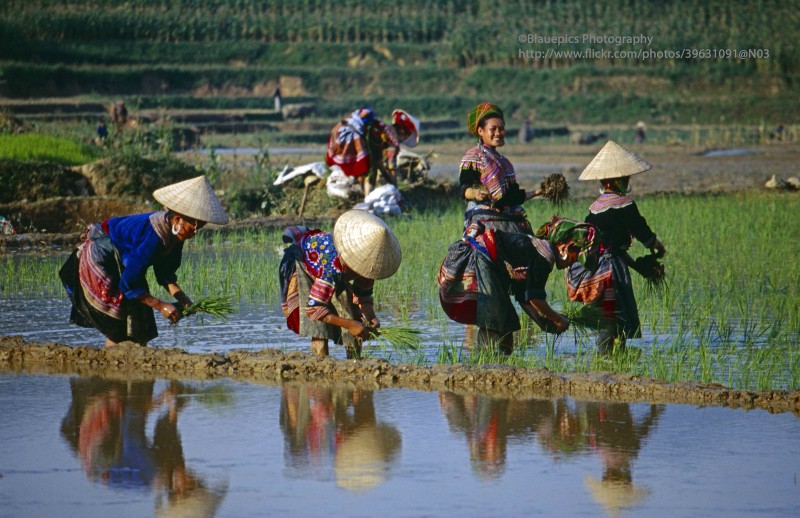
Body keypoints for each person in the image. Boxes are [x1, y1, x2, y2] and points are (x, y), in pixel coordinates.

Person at [59, 175, 229, 347]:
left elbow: (165, 274)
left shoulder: (176, 235)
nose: (194, 234)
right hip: (102, 257)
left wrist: (183, 299)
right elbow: (128, 284)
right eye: (193, 228)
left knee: (141, 323)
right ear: (178, 219)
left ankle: (135, 362)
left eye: (199, 229)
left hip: (127, 263)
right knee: (119, 322)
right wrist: (161, 305)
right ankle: (111, 363)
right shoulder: (153, 236)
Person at [438, 216, 598, 354]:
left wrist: (541, 323)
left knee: (508, 323)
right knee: (493, 321)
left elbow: (523, 296)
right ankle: (483, 365)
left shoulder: (537, 250)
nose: (574, 262)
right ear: (565, 247)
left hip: (488, 265)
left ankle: (503, 363)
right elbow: (535, 298)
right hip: (480, 260)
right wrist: (558, 319)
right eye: (576, 256)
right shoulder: (545, 256)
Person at [566, 141, 667, 354]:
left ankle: (611, 359)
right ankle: (609, 360)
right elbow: (642, 232)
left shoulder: (594, 209)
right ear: (620, 180)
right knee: (614, 316)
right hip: (611, 271)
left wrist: (638, 267)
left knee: (607, 315)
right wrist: (657, 247)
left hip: (596, 269)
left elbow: (611, 248)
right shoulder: (624, 204)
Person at [279, 209, 402, 359]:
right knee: (320, 329)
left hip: (331, 271)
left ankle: (354, 360)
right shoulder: (333, 267)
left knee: (353, 316)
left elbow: (363, 296)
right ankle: (320, 361)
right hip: (304, 262)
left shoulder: (370, 266)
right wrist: (349, 325)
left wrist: (371, 318)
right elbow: (314, 309)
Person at [460, 103, 542, 236]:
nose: (498, 133)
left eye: (501, 129)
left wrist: (539, 191)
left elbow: (513, 197)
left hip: (507, 220)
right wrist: (474, 193)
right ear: (480, 131)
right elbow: (464, 187)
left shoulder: (505, 163)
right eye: (493, 129)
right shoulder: (474, 156)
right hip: (483, 219)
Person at [325, 107, 420, 196]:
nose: (403, 139)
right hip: (354, 142)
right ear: (403, 132)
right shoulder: (393, 143)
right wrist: (395, 187)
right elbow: (391, 168)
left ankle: (362, 194)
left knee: (369, 168)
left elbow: (379, 160)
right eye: (405, 136)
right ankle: (367, 199)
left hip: (340, 132)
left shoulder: (381, 126)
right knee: (371, 172)